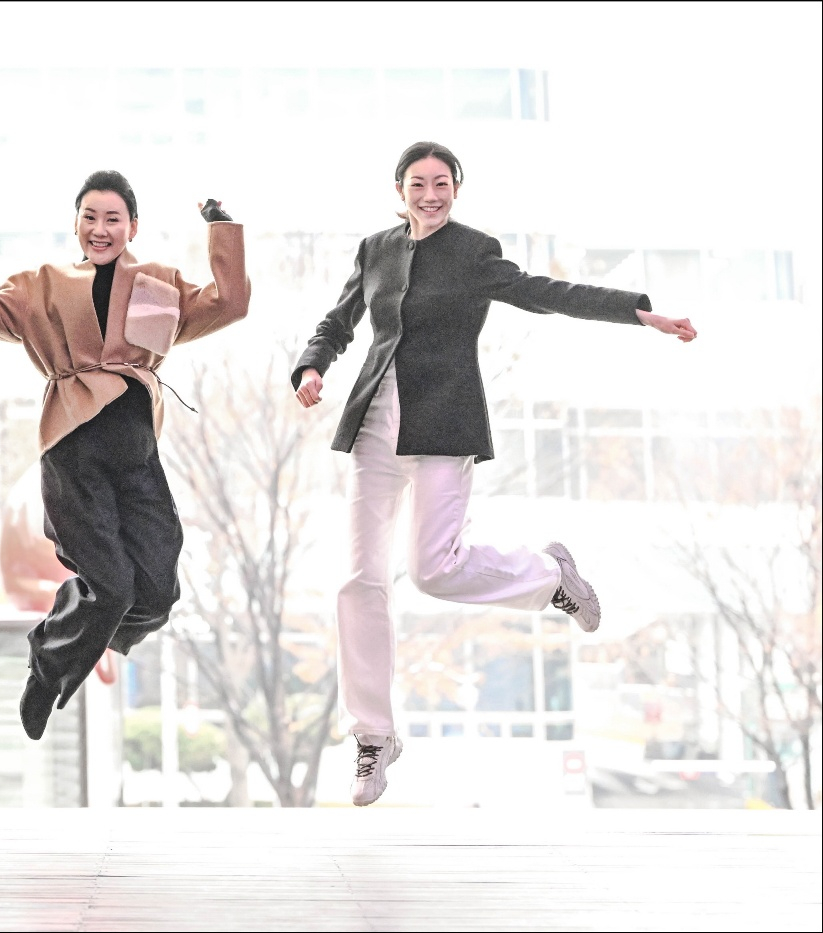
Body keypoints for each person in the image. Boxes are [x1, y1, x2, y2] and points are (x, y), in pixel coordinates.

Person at [291, 141, 697, 807]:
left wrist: (638, 311)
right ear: (398, 190)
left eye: (441, 182)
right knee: (359, 578)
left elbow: (547, 292)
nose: (429, 193)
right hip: (374, 425)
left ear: (455, 189)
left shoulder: (473, 251)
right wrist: (312, 365)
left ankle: (548, 576)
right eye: (417, 183)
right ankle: (372, 735)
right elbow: (338, 321)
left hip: (443, 424)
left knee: (433, 569)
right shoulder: (376, 249)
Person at [0, 170, 250, 740]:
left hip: (137, 451)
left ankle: (88, 628)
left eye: (113, 218)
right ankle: (48, 667)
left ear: (132, 226)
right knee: (110, 585)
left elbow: (230, 302)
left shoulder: (160, 282)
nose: (100, 228)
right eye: (90, 217)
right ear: (77, 224)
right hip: (72, 446)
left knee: (157, 590)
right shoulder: (43, 282)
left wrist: (220, 226)